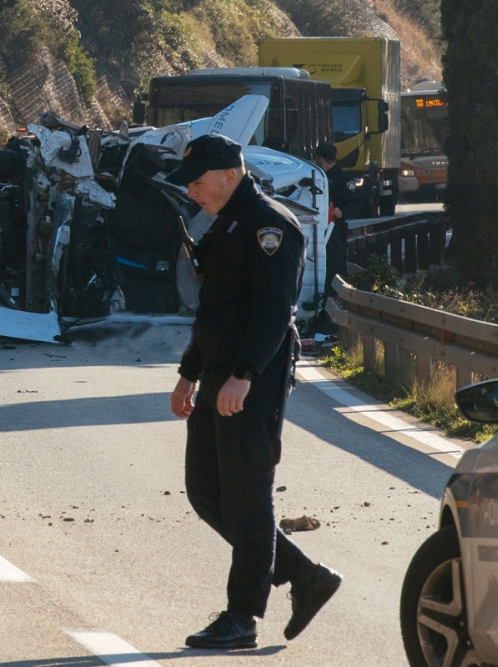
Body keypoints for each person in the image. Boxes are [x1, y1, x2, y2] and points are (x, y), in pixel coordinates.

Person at [167, 134, 341, 650]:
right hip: (220, 374)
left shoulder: (271, 226)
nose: (192, 193)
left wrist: (243, 374)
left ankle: (241, 616)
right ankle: (304, 575)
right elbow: (213, 311)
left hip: (253, 380)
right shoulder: (228, 225)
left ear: (229, 174)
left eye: (198, 183)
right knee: (206, 491)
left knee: (247, 496)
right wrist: (189, 373)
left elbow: (273, 310)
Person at [312, 142, 362, 296]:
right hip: (318, 228)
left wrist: (343, 211)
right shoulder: (317, 175)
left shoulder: (343, 179)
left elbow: (358, 203)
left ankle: (334, 298)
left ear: (320, 159)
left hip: (335, 230)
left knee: (334, 265)